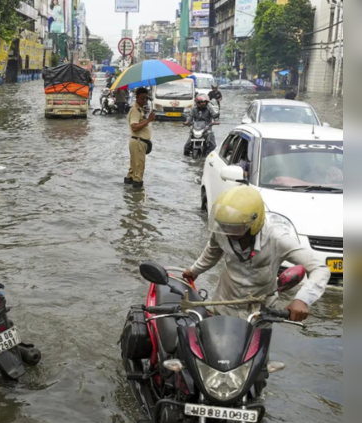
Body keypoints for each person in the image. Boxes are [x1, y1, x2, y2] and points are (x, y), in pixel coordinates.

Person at [182, 186, 330, 321]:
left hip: (260, 313)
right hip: (224, 305)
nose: (227, 233)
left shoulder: (278, 239)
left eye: (234, 229)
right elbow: (212, 253)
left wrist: (302, 300)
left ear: (253, 223)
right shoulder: (222, 231)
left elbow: (320, 269)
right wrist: (194, 271)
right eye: (224, 227)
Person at [126, 87, 155, 189]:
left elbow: (140, 123)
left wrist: (148, 119)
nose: (145, 100)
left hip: (139, 142)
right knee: (139, 170)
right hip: (138, 142)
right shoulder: (135, 110)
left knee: (133, 169)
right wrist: (148, 120)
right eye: (142, 98)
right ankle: (137, 198)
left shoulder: (140, 109)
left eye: (146, 98)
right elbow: (134, 127)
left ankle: (128, 194)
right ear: (136, 97)